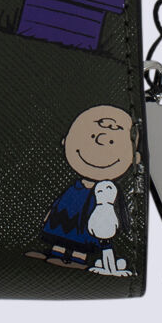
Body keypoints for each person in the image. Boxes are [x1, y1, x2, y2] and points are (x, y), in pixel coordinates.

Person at [28, 106, 138, 275]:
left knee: (83, 241)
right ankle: (57, 254)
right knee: (62, 236)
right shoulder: (77, 187)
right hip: (65, 217)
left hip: (86, 223)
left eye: (111, 142)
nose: (100, 144)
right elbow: (61, 201)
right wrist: (50, 214)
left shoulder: (105, 193)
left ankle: (78, 259)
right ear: (66, 141)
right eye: (92, 137)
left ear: (135, 158)